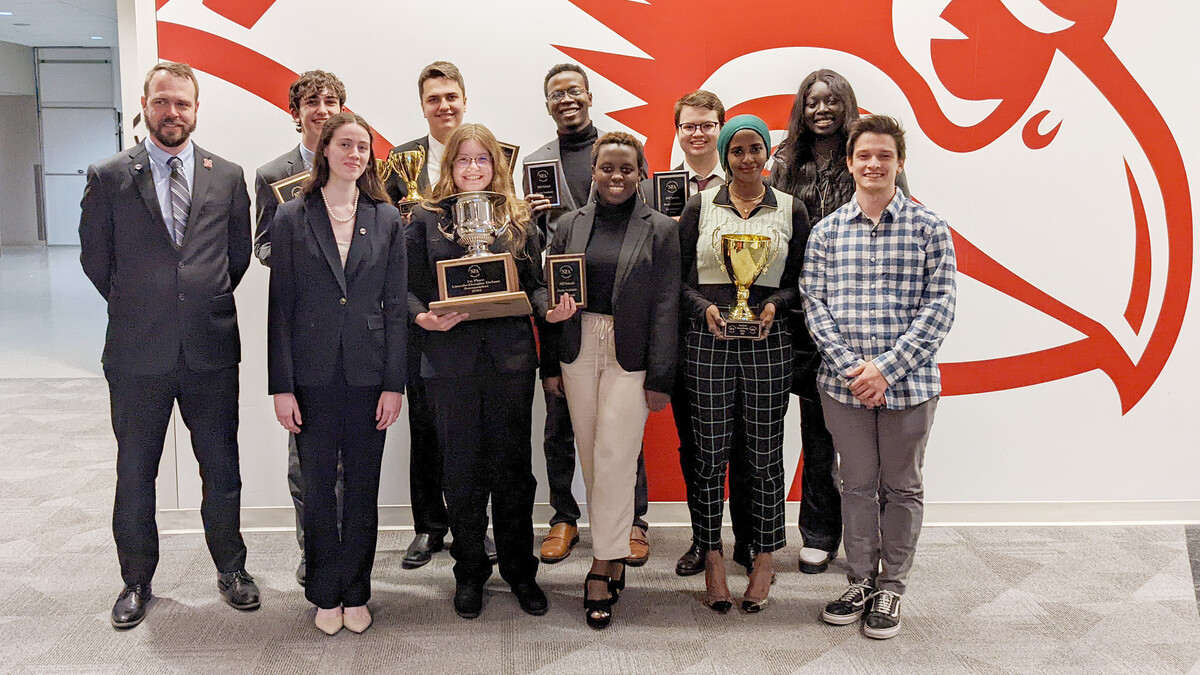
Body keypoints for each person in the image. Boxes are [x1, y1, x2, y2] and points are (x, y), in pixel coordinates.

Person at [79, 61, 258, 630]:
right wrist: (145, 303)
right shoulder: (108, 176)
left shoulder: (227, 175)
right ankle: (136, 579)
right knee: (135, 471)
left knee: (221, 469)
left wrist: (193, 299)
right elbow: (95, 260)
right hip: (136, 354)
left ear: (196, 109)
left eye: (183, 103)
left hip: (210, 350)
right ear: (145, 105)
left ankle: (231, 568)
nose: (172, 112)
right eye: (162, 102)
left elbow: (236, 258)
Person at [807, 115, 956, 639]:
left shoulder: (929, 228)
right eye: (864, 155)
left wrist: (886, 370)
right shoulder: (826, 232)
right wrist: (854, 369)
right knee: (856, 485)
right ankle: (860, 580)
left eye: (884, 156)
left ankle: (891, 587)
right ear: (849, 162)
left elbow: (940, 308)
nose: (873, 164)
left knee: (902, 486)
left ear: (899, 163)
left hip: (909, 386)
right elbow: (814, 305)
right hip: (843, 387)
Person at [267, 112, 407, 636]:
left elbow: (396, 307)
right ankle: (325, 591)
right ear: (324, 149)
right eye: (345, 144)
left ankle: (358, 590)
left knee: (364, 488)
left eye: (363, 147)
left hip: (371, 376)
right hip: (312, 376)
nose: (355, 154)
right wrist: (282, 387)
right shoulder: (292, 217)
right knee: (320, 487)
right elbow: (279, 308)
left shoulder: (386, 218)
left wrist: (395, 383)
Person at [769, 69, 910, 575]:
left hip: (852, 313)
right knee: (786, 426)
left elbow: (898, 227)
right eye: (812, 102)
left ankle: (822, 533)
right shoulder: (783, 161)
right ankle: (775, 534)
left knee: (828, 433)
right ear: (801, 110)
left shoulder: (870, 155)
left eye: (831, 101)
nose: (821, 109)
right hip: (792, 311)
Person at [407, 123, 549, 619]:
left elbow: (533, 285)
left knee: (513, 472)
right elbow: (404, 287)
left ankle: (520, 572)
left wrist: (548, 308)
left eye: (482, 160)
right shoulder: (427, 220)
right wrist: (421, 316)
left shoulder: (518, 219)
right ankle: (469, 572)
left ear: (497, 166)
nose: (473, 168)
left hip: (509, 362)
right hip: (449, 364)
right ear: (450, 167)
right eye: (463, 160)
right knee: (461, 473)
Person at [541, 132, 680, 628]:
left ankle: (602, 564)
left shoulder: (661, 228)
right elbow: (548, 295)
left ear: (641, 172)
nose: (616, 177)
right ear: (593, 173)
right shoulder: (566, 224)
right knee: (590, 452)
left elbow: (667, 305)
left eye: (626, 168)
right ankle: (616, 548)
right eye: (606, 168)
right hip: (577, 347)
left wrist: (661, 375)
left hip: (632, 354)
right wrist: (550, 366)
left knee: (616, 454)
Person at [678, 114, 809, 614]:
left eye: (756, 149)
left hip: (769, 345)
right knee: (709, 456)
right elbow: (681, 279)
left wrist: (777, 304)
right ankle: (711, 553)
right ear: (726, 155)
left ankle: (764, 557)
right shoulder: (698, 207)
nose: (747, 158)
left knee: (764, 456)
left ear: (768, 153)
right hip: (708, 342)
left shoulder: (791, 210)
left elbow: (801, 278)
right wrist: (704, 309)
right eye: (738, 150)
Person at [524, 63, 652, 566]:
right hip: (567, 316)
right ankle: (563, 516)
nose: (566, 100)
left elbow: (646, 226)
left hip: (620, 316)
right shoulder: (535, 162)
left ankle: (634, 520)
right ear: (548, 103)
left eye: (574, 90)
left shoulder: (625, 149)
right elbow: (534, 254)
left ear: (590, 93)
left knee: (624, 429)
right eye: (556, 94)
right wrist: (530, 219)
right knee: (559, 423)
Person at [638, 90, 755, 579]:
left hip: (747, 342)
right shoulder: (649, 191)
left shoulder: (751, 193)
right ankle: (702, 540)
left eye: (708, 124)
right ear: (678, 132)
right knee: (697, 449)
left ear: (723, 131)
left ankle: (749, 542)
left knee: (750, 447)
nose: (699, 133)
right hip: (685, 340)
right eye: (689, 125)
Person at [381, 61, 492, 569]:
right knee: (425, 429)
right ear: (422, 105)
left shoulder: (491, 155)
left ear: (464, 99)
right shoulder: (399, 162)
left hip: (483, 319)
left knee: (479, 431)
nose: (443, 105)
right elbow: (380, 229)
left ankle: (479, 525)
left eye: (451, 96)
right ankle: (429, 526)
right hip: (423, 318)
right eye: (433, 99)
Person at [252, 68, 346, 587]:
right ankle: (313, 555)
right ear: (296, 112)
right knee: (306, 460)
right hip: (304, 330)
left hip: (355, 334)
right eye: (312, 101)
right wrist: (301, 256)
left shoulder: (361, 165)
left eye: (332, 100)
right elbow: (261, 245)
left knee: (350, 463)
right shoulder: (272, 174)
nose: (322, 109)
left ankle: (348, 553)